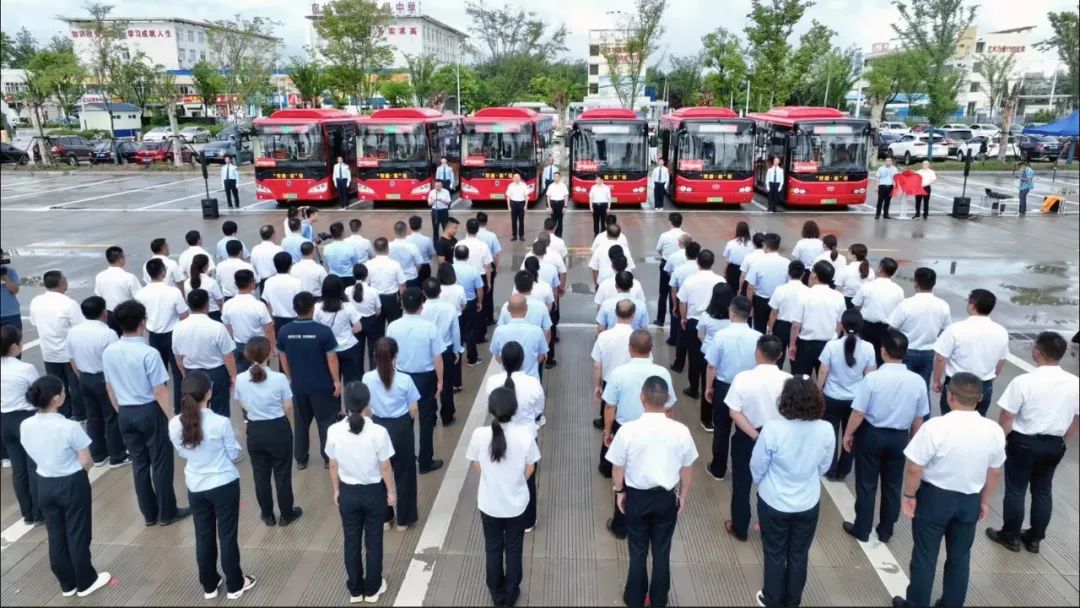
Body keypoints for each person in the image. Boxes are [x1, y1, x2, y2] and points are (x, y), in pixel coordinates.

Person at [893, 373, 1005, 608]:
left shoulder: (935, 426)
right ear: (980, 398)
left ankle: (916, 603)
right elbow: (994, 472)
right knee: (960, 558)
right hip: (970, 499)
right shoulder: (994, 430)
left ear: (950, 395)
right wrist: (984, 501)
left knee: (924, 556)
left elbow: (914, 467)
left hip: (934, 498)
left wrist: (909, 495)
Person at [985, 331, 1079, 553]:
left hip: (1023, 442)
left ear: (1038, 352)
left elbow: (1007, 415)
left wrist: (1002, 438)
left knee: (1016, 489)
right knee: (1043, 490)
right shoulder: (1075, 383)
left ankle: (1010, 536)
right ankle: (1035, 538)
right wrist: (1064, 440)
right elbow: (1077, 417)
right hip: (1054, 444)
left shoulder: (1024, 381)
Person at [607, 375, 696, 608]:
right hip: (666, 498)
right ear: (667, 400)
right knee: (662, 551)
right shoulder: (681, 431)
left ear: (642, 397)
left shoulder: (628, 430)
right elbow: (687, 468)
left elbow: (618, 467)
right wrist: (683, 495)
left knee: (637, 551)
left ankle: (634, 597)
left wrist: (619, 492)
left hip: (637, 497)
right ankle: (659, 599)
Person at [20, 376, 112, 598]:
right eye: (62, 392)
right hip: (71, 482)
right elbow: (86, 461)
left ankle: (67, 583)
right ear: (56, 399)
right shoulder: (69, 427)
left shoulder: (26, 425)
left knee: (56, 534)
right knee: (78, 532)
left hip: (44, 482)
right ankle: (86, 581)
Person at [170, 372, 258, 600]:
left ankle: (209, 585)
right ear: (208, 393)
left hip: (196, 485)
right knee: (227, 536)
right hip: (223, 484)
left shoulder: (174, 424)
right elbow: (233, 454)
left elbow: (182, 452)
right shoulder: (220, 422)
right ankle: (235, 584)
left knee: (203, 536)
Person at [102, 300, 189, 527]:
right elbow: (159, 390)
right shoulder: (149, 353)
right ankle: (167, 512)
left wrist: (121, 411)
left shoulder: (109, 352)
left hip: (125, 411)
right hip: (149, 410)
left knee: (139, 464)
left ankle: (149, 514)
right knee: (160, 463)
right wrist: (172, 418)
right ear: (143, 322)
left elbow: (109, 387)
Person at [750, 376, 834, 608]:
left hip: (774, 500)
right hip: (807, 501)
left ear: (785, 400)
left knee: (774, 552)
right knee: (799, 554)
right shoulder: (826, 429)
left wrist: (762, 484)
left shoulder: (773, 428)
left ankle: (772, 598)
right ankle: (793, 601)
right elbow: (824, 466)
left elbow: (757, 464)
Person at [841, 329, 928, 543]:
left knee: (866, 484)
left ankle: (862, 528)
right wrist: (913, 442)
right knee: (893, 485)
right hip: (899, 438)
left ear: (883, 352)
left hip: (872, 435)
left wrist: (848, 434)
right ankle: (886, 530)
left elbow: (858, 412)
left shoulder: (872, 379)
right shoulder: (917, 381)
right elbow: (919, 418)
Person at [467, 387, 540, 607]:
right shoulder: (525, 436)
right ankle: (511, 592)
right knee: (514, 549)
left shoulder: (479, 435)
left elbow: (476, 464)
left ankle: (496, 591)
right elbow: (531, 467)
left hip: (489, 503)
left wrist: (492, 479)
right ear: (514, 409)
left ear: (491, 409)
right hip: (516, 505)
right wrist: (515, 481)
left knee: (493, 548)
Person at [327, 382, 396, 603]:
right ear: (367, 403)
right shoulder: (379, 432)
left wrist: (336, 490)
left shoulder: (334, 431)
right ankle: (373, 588)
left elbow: (333, 465)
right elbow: (385, 467)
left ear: (346, 404)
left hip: (348, 492)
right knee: (374, 541)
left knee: (351, 540)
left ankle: (355, 590)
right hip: (374, 492)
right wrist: (391, 492)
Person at [724, 336, 791, 542]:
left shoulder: (743, 378)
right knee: (773, 484)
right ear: (780, 355)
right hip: (780, 439)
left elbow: (734, 412)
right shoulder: (789, 381)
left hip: (748, 437)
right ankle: (768, 526)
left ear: (757, 353)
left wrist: (756, 436)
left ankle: (740, 527)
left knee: (742, 484)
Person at [234, 337, 301, 528]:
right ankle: (286, 514)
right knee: (282, 473)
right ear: (269, 353)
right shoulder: (279, 378)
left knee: (260, 474)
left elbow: (242, 403)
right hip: (278, 428)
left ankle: (267, 515)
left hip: (255, 429)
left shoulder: (240, 379)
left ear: (247, 354)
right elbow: (288, 406)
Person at [600, 329, 676, 496]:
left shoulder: (618, 373)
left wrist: (608, 431)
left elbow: (610, 407)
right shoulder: (662, 373)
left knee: (622, 467)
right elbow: (669, 407)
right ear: (651, 348)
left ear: (630, 348)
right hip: (656, 427)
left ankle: (621, 500)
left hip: (624, 427)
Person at [276, 292, 340, 470]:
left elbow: (282, 356)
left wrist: (289, 377)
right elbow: (332, 358)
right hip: (322, 386)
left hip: (298, 386)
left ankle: (301, 458)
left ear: (294, 309)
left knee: (301, 423)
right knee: (326, 422)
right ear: (313, 309)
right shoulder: (324, 332)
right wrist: (336, 381)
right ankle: (328, 458)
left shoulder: (284, 331)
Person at [362, 338, 419, 530]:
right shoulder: (405, 380)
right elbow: (413, 409)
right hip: (401, 427)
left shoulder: (367, 378)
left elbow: (366, 408)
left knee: (379, 472)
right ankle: (404, 520)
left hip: (378, 425)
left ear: (375, 357)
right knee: (405, 474)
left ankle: (385, 518)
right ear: (395, 357)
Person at [386, 287, 444, 474]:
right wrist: (440, 381)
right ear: (422, 305)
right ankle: (425, 462)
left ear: (402, 304)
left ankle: (405, 459)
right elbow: (437, 358)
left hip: (401, 376)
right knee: (426, 418)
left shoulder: (393, 326)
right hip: (425, 378)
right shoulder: (429, 327)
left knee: (404, 418)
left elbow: (389, 354)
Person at [703, 296, 761, 480]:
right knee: (747, 427)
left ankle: (718, 469)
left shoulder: (721, 336)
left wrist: (708, 387)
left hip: (724, 386)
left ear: (732, 313)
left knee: (721, 429)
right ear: (750, 313)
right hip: (750, 386)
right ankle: (743, 468)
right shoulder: (758, 337)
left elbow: (711, 365)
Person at [67, 297, 128, 467]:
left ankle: (98, 455)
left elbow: (71, 359)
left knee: (93, 417)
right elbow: (116, 360)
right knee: (111, 417)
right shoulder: (108, 333)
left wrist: (81, 376)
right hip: (104, 378)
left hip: (84, 377)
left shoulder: (73, 332)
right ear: (104, 312)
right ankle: (117, 455)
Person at [817, 309, 876, 481]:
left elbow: (823, 370)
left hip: (832, 396)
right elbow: (870, 376)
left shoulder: (831, 345)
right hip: (856, 400)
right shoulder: (868, 348)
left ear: (841, 326)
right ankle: (844, 470)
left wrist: (819, 389)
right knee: (850, 435)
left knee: (831, 433)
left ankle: (830, 469)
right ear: (861, 327)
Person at [932, 289, 1008, 417]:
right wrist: (991, 380)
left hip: (957, 384)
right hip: (983, 384)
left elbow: (941, 358)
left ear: (972, 306)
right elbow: (1001, 360)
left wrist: (936, 380)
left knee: (950, 420)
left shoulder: (955, 329)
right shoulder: (1001, 332)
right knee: (977, 421)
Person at [28, 270, 85, 419]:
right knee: (76, 387)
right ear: (61, 283)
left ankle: (63, 414)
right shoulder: (69, 303)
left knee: (56, 388)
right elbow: (81, 328)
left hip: (49, 353)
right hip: (69, 355)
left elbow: (34, 322)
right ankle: (80, 416)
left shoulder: (36, 301)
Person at [172, 289, 236, 418]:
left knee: (194, 412)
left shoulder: (178, 327)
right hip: (217, 373)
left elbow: (178, 356)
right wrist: (233, 375)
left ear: (188, 304)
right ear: (207, 305)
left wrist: (184, 374)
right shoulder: (217, 327)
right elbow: (228, 355)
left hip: (192, 372)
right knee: (220, 412)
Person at [136, 258, 189, 411]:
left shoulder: (140, 294)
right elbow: (184, 315)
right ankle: (179, 409)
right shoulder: (173, 292)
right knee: (179, 373)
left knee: (158, 376)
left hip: (153, 337)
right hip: (173, 335)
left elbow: (140, 317)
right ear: (163, 272)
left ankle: (162, 409)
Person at [2, 325, 42, 525]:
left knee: (18, 469)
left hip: (4, 420)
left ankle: (27, 513)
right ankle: (38, 512)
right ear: (13, 347)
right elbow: (38, 393)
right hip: (25, 418)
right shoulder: (25, 369)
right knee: (33, 465)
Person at [676, 250, 725, 412]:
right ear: (713, 262)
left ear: (698, 262)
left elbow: (682, 301)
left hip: (695, 321)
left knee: (694, 355)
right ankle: (710, 386)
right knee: (713, 355)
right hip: (716, 321)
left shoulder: (690, 280)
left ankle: (693, 387)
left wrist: (683, 318)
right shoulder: (720, 280)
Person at [788, 261, 845, 377]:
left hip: (806, 345)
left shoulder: (804, 295)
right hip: (829, 344)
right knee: (825, 379)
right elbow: (840, 323)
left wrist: (792, 345)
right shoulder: (838, 296)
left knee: (802, 380)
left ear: (815, 274)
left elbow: (796, 325)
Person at [420, 279, 461, 427]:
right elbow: (455, 330)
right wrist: (457, 349)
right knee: (447, 383)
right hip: (446, 349)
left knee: (430, 384)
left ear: (424, 292)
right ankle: (447, 416)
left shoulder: (421, 309)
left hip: (427, 351)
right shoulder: (449, 308)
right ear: (440, 291)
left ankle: (431, 416)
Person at [853, 257, 904, 368]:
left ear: (880, 269)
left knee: (864, 357)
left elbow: (856, 306)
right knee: (882, 358)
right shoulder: (898, 290)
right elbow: (900, 311)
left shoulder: (867, 286)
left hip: (866, 327)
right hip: (887, 329)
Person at [315, 276, 365, 386]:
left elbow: (315, 327)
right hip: (348, 347)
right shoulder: (347, 306)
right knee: (352, 385)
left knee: (332, 384)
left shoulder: (318, 307)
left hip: (327, 350)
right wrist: (348, 331)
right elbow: (358, 328)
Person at [221, 270, 274, 373]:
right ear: (251, 283)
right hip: (259, 346)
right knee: (262, 374)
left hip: (239, 345)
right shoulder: (258, 305)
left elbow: (227, 326)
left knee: (242, 375)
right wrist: (271, 347)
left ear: (236, 284)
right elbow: (268, 329)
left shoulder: (228, 304)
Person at [491, 293, 549, 380]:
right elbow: (541, 356)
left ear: (508, 309)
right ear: (526, 308)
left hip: (507, 380)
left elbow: (497, 357)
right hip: (531, 379)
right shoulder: (537, 331)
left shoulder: (498, 331)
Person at [767, 260, 808, 370]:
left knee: (777, 357)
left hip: (780, 326)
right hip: (799, 327)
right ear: (803, 274)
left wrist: (770, 329)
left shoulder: (780, 289)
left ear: (788, 272)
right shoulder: (808, 291)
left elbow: (774, 312)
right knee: (795, 358)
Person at [745, 233, 789, 335]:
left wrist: (749, 305)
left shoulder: (757, 262)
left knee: (759, 330)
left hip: (760, 301)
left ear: (765, 245)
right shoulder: (787, 263)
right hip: (779, 301)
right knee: (775, 330)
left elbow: (750, 287)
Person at [95, 245, 142, 333]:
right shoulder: (129, 277)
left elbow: (99, 295)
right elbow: (139, 298)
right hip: (127, 315)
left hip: (109, 315)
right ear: (121, 258)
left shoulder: (99, 276)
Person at [346, 264, 383, 372]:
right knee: (373, 350)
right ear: (366, 275)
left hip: (355, 322)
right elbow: (378, 310)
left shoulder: (347, 291)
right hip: (371, 321)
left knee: (358, 351)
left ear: (353, 275)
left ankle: (359, 375)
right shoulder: (373, 291)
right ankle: (373, 372)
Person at [453, 245, 485, 367]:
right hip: (469, 303)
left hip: (454, 303)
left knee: (456, 329)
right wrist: (479, 302)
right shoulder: (473, 270)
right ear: (467, 256)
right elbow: (479, 289)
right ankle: (472, 358)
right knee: (469, 330)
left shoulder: (451, 269)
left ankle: (456, 355)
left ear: (455, 256)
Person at [654, 212, 685, 329]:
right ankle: (675, 320)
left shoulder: (664, 235)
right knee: (677, 293)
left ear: (670, 222)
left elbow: (659, 249)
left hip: (666, 264)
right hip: (680, 266)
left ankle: (660, 319)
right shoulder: (686, 235)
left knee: (663, 293)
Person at [367, 238, 407, 324]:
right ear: (388, 248)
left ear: (374, 249)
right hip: (392, 300)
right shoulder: (395, 264)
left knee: (378, 327)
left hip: (375, 299)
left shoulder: (368, 264)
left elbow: (367, 284)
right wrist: (403, 301)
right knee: (394, 325)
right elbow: (402, 285)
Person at [262, 252, 302, 333]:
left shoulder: (268, 282)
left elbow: (268, 303)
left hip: (277, 320)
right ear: (290, 265)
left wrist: (271, 319)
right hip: (295, 319)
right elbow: (301, 303)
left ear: (275, 265)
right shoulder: (297, 282)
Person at [475, 213, 503, 327]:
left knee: (476, 291)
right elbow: (496, 254)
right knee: (489, 292)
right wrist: (497, 266)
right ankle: (489, 317)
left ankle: (478, 314)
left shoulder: (472, 235)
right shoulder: (491, 236)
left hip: (475, 267)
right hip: (488, 266)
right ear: (486, 222)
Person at [184, 254, 225, 321]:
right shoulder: (211, 282)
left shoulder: (186, 283)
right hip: (213, 315)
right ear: (206, 266)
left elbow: (187, 300)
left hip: (194, 316)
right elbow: (220, 301)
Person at [835, 243, 874, 309]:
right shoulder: (870, 270)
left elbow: (837, 289)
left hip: (847, 302)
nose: (848, 254)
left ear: (854, 255)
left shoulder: (844, 269)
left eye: (849, 252)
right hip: (863, 302)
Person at [324, 222, 361, 287]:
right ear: (343, 232)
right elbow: (355, 264)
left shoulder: (326, 248)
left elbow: (327, 264)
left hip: (333, 278)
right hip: (349, 278)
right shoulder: (350, 247)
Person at [250, 225, 283, 291]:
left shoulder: (255, 249)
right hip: (276, 281)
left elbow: (252, 266)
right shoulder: (278, 249)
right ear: (273, 234)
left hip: (262, 282)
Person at [722, 221, 753, 289]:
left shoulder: (730, 243)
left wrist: (724, 273)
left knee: (731, 290)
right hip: (746, 270)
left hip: (732, 270)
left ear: (737, 230)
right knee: (744, 290)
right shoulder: (752, 245)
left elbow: (726, 261)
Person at [407, 216, 436, 283]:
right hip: (424, 266)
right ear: (421, 225)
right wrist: (426, 258)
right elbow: (431, 253)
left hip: (411, 266)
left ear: (410, 226)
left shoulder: (406, 239)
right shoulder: (427, 240)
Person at [1, 250, 22, 330]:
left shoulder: (10, 271)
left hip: (10, 315)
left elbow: (15, 290)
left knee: (14, 337)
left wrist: (6, 278)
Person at [506, 173, 530, 241]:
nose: (516, 178)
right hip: (513, 204)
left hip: (521, 203)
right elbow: (508, 196)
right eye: (515, 177)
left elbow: (526, 196)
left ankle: (521, 235)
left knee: (521, 220)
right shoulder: (510, 185)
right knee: (513, 221)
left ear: (520, 178)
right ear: (513, 179)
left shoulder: (523, 185)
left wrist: (526, 205)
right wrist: (508, 206)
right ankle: (514, 236)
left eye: (518, 177)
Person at [545, 171, 568, 237]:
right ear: (553, 177)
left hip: (561, 203)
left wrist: (565, 206)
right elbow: (548, 197)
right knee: (553, 221)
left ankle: (559, 235)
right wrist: (549, 207)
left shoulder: (563, 185)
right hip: (553, 204)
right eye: (554, 176)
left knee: (560, 221)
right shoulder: (550, 186)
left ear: (560, 177)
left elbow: (566, 196)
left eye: (557, 176)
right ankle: (554, 235)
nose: (556, 178)